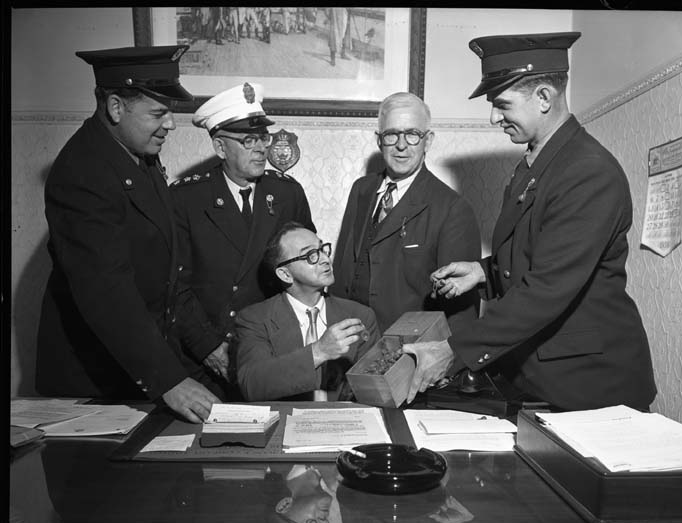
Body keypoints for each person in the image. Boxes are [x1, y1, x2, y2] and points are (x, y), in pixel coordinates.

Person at [404, 32, 657, 412]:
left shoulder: (588, 173)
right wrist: (483, 273)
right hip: (544, 377)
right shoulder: (539, 163)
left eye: (502, 104)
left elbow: (548, 288)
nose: (494, 117)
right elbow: (538, 252)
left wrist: (453, 351)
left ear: (543, 97)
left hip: (591, 386)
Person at [35, 46, 224, 423]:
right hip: (95, 382)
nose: (170, 124)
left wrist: (209, 348)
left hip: (142, 369)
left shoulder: (139, 156)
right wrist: (169, 380)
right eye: (158, 113)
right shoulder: (83, 172)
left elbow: (168, 273)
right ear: (116, 107)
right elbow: (107, 291)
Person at [171, 82, 315, 394]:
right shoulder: (186, 198)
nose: (261, 148)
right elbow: (175, 286)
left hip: (275, 352)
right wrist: (209, 347)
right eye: (249, 140)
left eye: (263, 137)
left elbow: (308, 272)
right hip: (207, 353)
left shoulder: (287, 193)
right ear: (220, 148)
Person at [330, 92, 482, 334]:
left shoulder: (452, 209)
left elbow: (460, 312)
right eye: (391, 134)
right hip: (351, 339)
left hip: (408, 347)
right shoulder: (361, 189)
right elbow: (342, 267)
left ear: (427, 141)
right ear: (379, 140)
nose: (401, 145)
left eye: (412, 134)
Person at [235, 222, 380, 401]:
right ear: (285, 274)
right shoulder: (255, 319)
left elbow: (374, 390)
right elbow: (253, 385)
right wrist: (318, 351)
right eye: (311, 255)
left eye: (322, 249)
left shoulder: (361, 316)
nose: (325, 259)